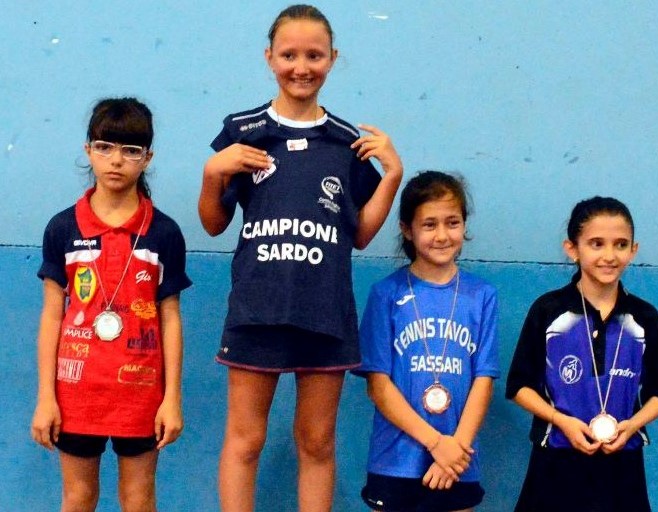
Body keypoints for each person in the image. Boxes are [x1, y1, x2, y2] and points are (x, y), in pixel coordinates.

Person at [197, 4, 403, 512]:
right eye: (289, 55)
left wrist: (393, 176)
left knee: (316, 442)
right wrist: (212, 172)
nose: (301, 67)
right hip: (257, 309)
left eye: (314, 55)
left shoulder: (346, 143)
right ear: (270, 57)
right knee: (245, 441)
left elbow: (360, 235)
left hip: (324, 312)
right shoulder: (242, 130)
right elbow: (213, 223)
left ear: (333, 58)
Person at [30, 97, 192, 512]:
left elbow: (170, 319)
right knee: (78, 496)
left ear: (147, 158)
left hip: (141, 394)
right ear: (88, 150)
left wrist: (171, 398)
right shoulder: (63, 228)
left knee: (138, 498)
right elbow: (52, 316)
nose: (116, 160)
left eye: (130, 150)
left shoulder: (163, 233)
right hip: (76, 393)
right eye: (104, 147)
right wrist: (46, 397)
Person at [506, 196, 658, 512]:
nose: (609, 255)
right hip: (555, 459)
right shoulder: (548, 310)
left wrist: (631, 425)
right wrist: (561, 421)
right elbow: (518, 386)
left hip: (622, 462)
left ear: (633, 250)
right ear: (572, 249)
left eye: (620, 244)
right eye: (596, 244)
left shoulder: (645, 317)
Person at [356, 171, 500, 512]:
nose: (442, 235)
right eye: (429, 224)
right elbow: (378, 387)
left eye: (452, 223)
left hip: (459, 460)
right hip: (395, 460)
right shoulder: (386, 294)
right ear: (407, 229)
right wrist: (436, 443)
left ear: (464, 225)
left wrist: (455, 450)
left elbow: (483, 381)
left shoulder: (482, 296)